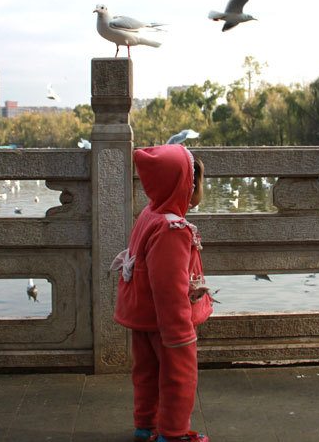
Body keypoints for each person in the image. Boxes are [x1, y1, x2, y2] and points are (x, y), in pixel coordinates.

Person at [112, 144, 213, 442]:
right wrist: (179, 333)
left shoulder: (150, 213)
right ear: (185, 186)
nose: (200, 189)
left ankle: (146, 427)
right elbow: (169, 287)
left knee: (146, 373)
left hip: (143, 316)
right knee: (179, 378)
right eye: (198, 183)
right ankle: (173, 433)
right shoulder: (173, 229)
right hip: (167, 323)